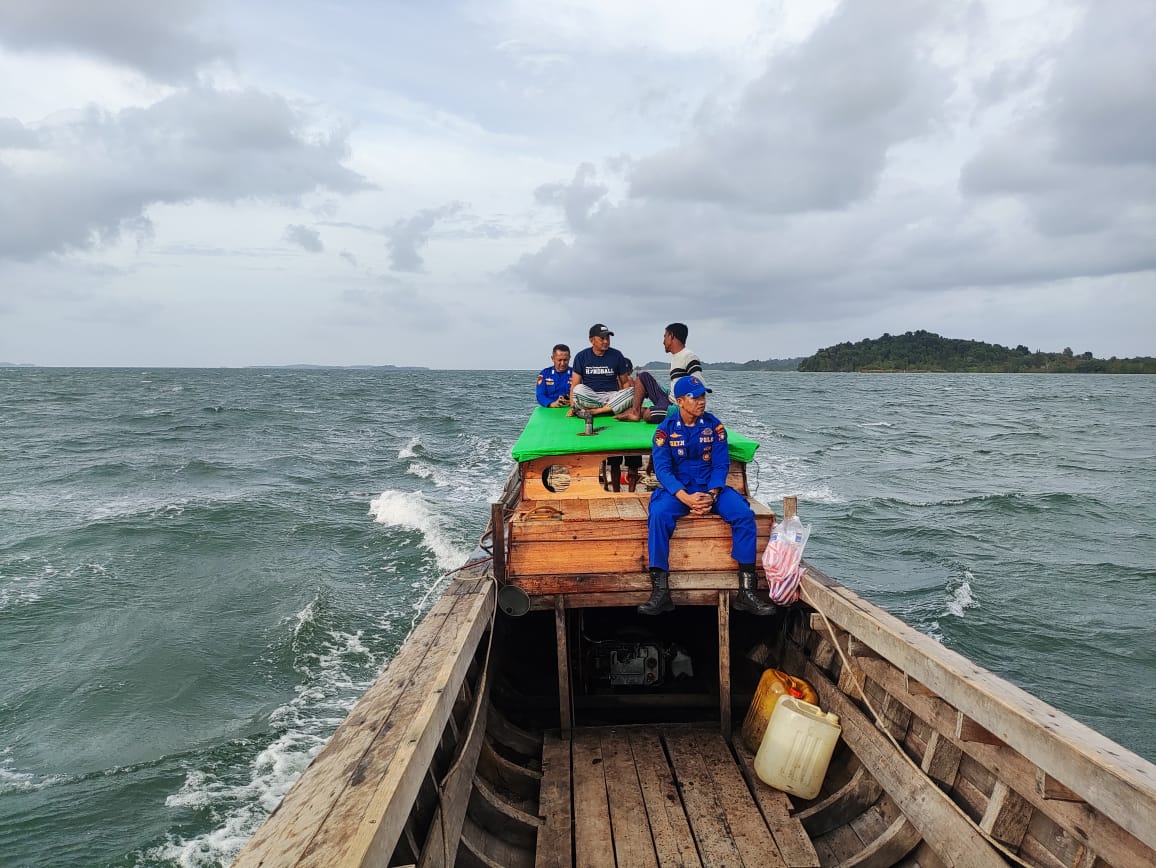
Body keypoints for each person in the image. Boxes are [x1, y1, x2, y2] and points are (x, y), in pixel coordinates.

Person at [640, 375, 775, 616]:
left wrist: (712, 494)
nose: (701, 401)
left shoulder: (715, 427)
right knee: (659, 515)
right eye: (695, 397)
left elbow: (721, 464)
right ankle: (660, 592)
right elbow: (662, 470)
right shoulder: (665, 431)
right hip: (679, 490)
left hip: (711, 489)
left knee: (744, 514)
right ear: (680, 401)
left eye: (703, 396)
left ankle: (747, 591)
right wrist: (685, 497)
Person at [569, 324, 635, 417]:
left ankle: (598, 411)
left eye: (608, 338)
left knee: (632, 391)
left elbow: (625, 383)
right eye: (602, 338)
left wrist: (627, 403)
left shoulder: (617, 355)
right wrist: (572, 408)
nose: (606, 341)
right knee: (578, 390)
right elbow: (574, 384)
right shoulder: (581, 356)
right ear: (591, 340)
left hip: (611, 396)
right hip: (591, 396)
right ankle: (609, 408)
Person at [615, 359, 671, 423]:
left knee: (648, 414)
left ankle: (637, 411)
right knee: (643, 375)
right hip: (665, 396)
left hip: (671, 401)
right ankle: (636, 412)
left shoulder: (629, 380)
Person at [663, 322, 705, 390]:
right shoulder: (675, 357)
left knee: (644, 377)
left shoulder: (689, 356)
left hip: (677, 400)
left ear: (671, 336)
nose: (663, 342)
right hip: (671, 397)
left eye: (665, 337)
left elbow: (699, 383)